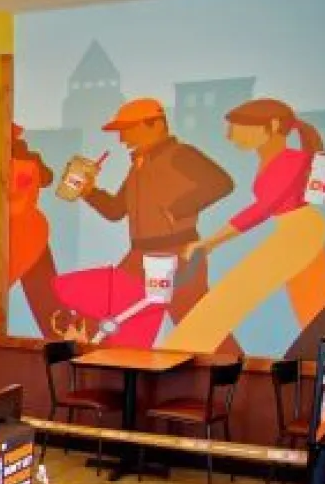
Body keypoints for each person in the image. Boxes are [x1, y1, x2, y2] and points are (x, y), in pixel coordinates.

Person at [164, 98, 325, 351]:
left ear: (273, 125)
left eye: (239, 128)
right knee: (317, 306)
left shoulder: (290, 161)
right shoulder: (276, 160)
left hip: (299, 232)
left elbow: (261, 209)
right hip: (298, 229)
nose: (230, 136)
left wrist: (211, 242)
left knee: (232, 295)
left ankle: (181, 348)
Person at [76, 98, 235, 336]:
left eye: (128, 129)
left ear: (156, 125)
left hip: (178, 254)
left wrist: (176, 209)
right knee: (104, 312)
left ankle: (234, 362)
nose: (121, 139)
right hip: (140, 256)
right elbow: (116, 210)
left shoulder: (180, 154)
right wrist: (89, 192)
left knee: (198, 327)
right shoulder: (139, 165)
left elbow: (221, 183)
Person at [7, 125, 63, 336]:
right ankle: (59, 337)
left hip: (15, 230)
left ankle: (59, 335)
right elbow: (48, 177)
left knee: (43, 292)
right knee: (45, 295)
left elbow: (47, 178)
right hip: (30, 230)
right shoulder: (31, 157)